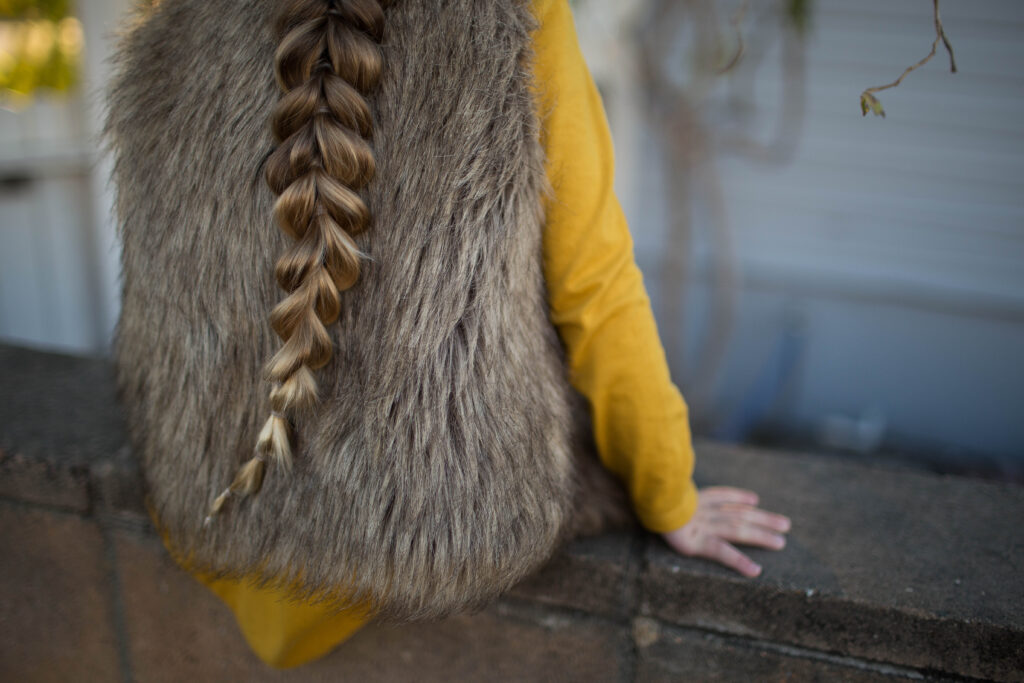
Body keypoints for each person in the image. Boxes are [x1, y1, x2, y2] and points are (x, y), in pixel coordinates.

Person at [120, 0, 791, 669]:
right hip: (440, 516)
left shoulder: (177, 17)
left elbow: (155, 260)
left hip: (218, 496)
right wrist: (669, 493)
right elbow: (596, 284)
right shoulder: (515, 18)